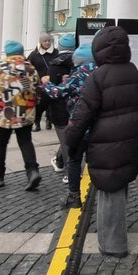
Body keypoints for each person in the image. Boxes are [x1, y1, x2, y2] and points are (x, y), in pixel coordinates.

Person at [66, 26, 138, 257]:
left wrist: (71, 140)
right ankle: (116, 234)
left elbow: (82, 114)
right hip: (132, 138)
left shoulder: (98, 76)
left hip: (105, 143)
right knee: (121, 182)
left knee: (109, 191)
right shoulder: (135, 70)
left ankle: (113, 244)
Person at [0, 40, 41, 191]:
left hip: (4, 114)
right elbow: (38, 90)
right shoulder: (30, 69)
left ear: (7, 53)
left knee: (0, 144)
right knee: (26, 142)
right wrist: (35, 106)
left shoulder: (0, 69)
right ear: (21, 52)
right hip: (25, 113)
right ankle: (32, 171)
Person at [44, 42, 96, 208]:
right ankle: (100, 191)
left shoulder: (80, 72)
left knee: (74, 159)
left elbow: (58, 93)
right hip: (97, 125)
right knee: (95, 159)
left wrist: (46, 84)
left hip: (80, 124)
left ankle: (74, 196)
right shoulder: (99, 70)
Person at [43, 33, 76, 177]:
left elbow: (51, 92)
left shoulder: (55, 65)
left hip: (59, 110)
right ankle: (59, 161)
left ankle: (71, 174)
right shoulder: (79, 63)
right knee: (69, 138)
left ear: (59, 47)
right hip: (76, 108)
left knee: (65, 140)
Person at [27, 33, 59, 132]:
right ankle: (37, 123)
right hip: (40, 84)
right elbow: (28, 67)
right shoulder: (34, 54)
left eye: (49, 41)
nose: (47, 43)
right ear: (40, 42)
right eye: (45, 41)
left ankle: (49, 121)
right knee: (40, 105)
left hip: (53, 82)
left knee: (51, 104)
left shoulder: (56, 52)